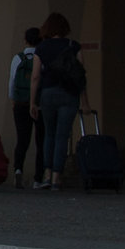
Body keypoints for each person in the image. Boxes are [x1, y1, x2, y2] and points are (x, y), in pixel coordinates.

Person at [31, 13, 85, 191]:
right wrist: (85, 101)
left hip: (48, 93)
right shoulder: (73, 46)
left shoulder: (42, 47)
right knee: (63, 136)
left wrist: (33, 101)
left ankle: (46, 173)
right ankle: (56, 177)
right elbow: (81, 76)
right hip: (69, 94)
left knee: (49, 135)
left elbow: (36, 76)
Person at [8, 27, 43, 190]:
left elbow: (12, 80)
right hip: (38, 103)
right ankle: (38, 177)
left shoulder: (18, 58)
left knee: (22, 138)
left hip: (20, 104)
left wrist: (13, 100)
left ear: (25, 40)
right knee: (41, 140)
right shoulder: (41, 57)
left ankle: (18, 169)